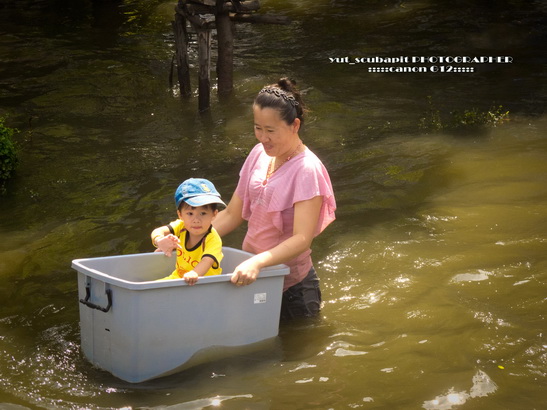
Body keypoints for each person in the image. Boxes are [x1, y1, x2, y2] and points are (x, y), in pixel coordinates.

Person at [213, 78, 336, 320]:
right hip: (253, 277)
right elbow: (231, 214)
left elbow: (302, 238)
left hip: (292, 289)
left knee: (297, 354)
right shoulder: (259, 154)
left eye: (271, 131)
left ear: (295, 126)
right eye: (258, 128)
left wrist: (257, 263)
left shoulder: (307, 169)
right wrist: (188, 240)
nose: (263, 137)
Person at [151, 178, 226, 285]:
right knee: (153, 288)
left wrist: (194, 273)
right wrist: (159, 240)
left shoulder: (213, 239)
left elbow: (207, 261)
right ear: (180, 214)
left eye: (203, 213)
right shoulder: (180, 226)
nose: (196, 220)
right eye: (190, 213)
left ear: (214, 214)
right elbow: (158, 231)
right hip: (178, 277)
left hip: (205, 284)